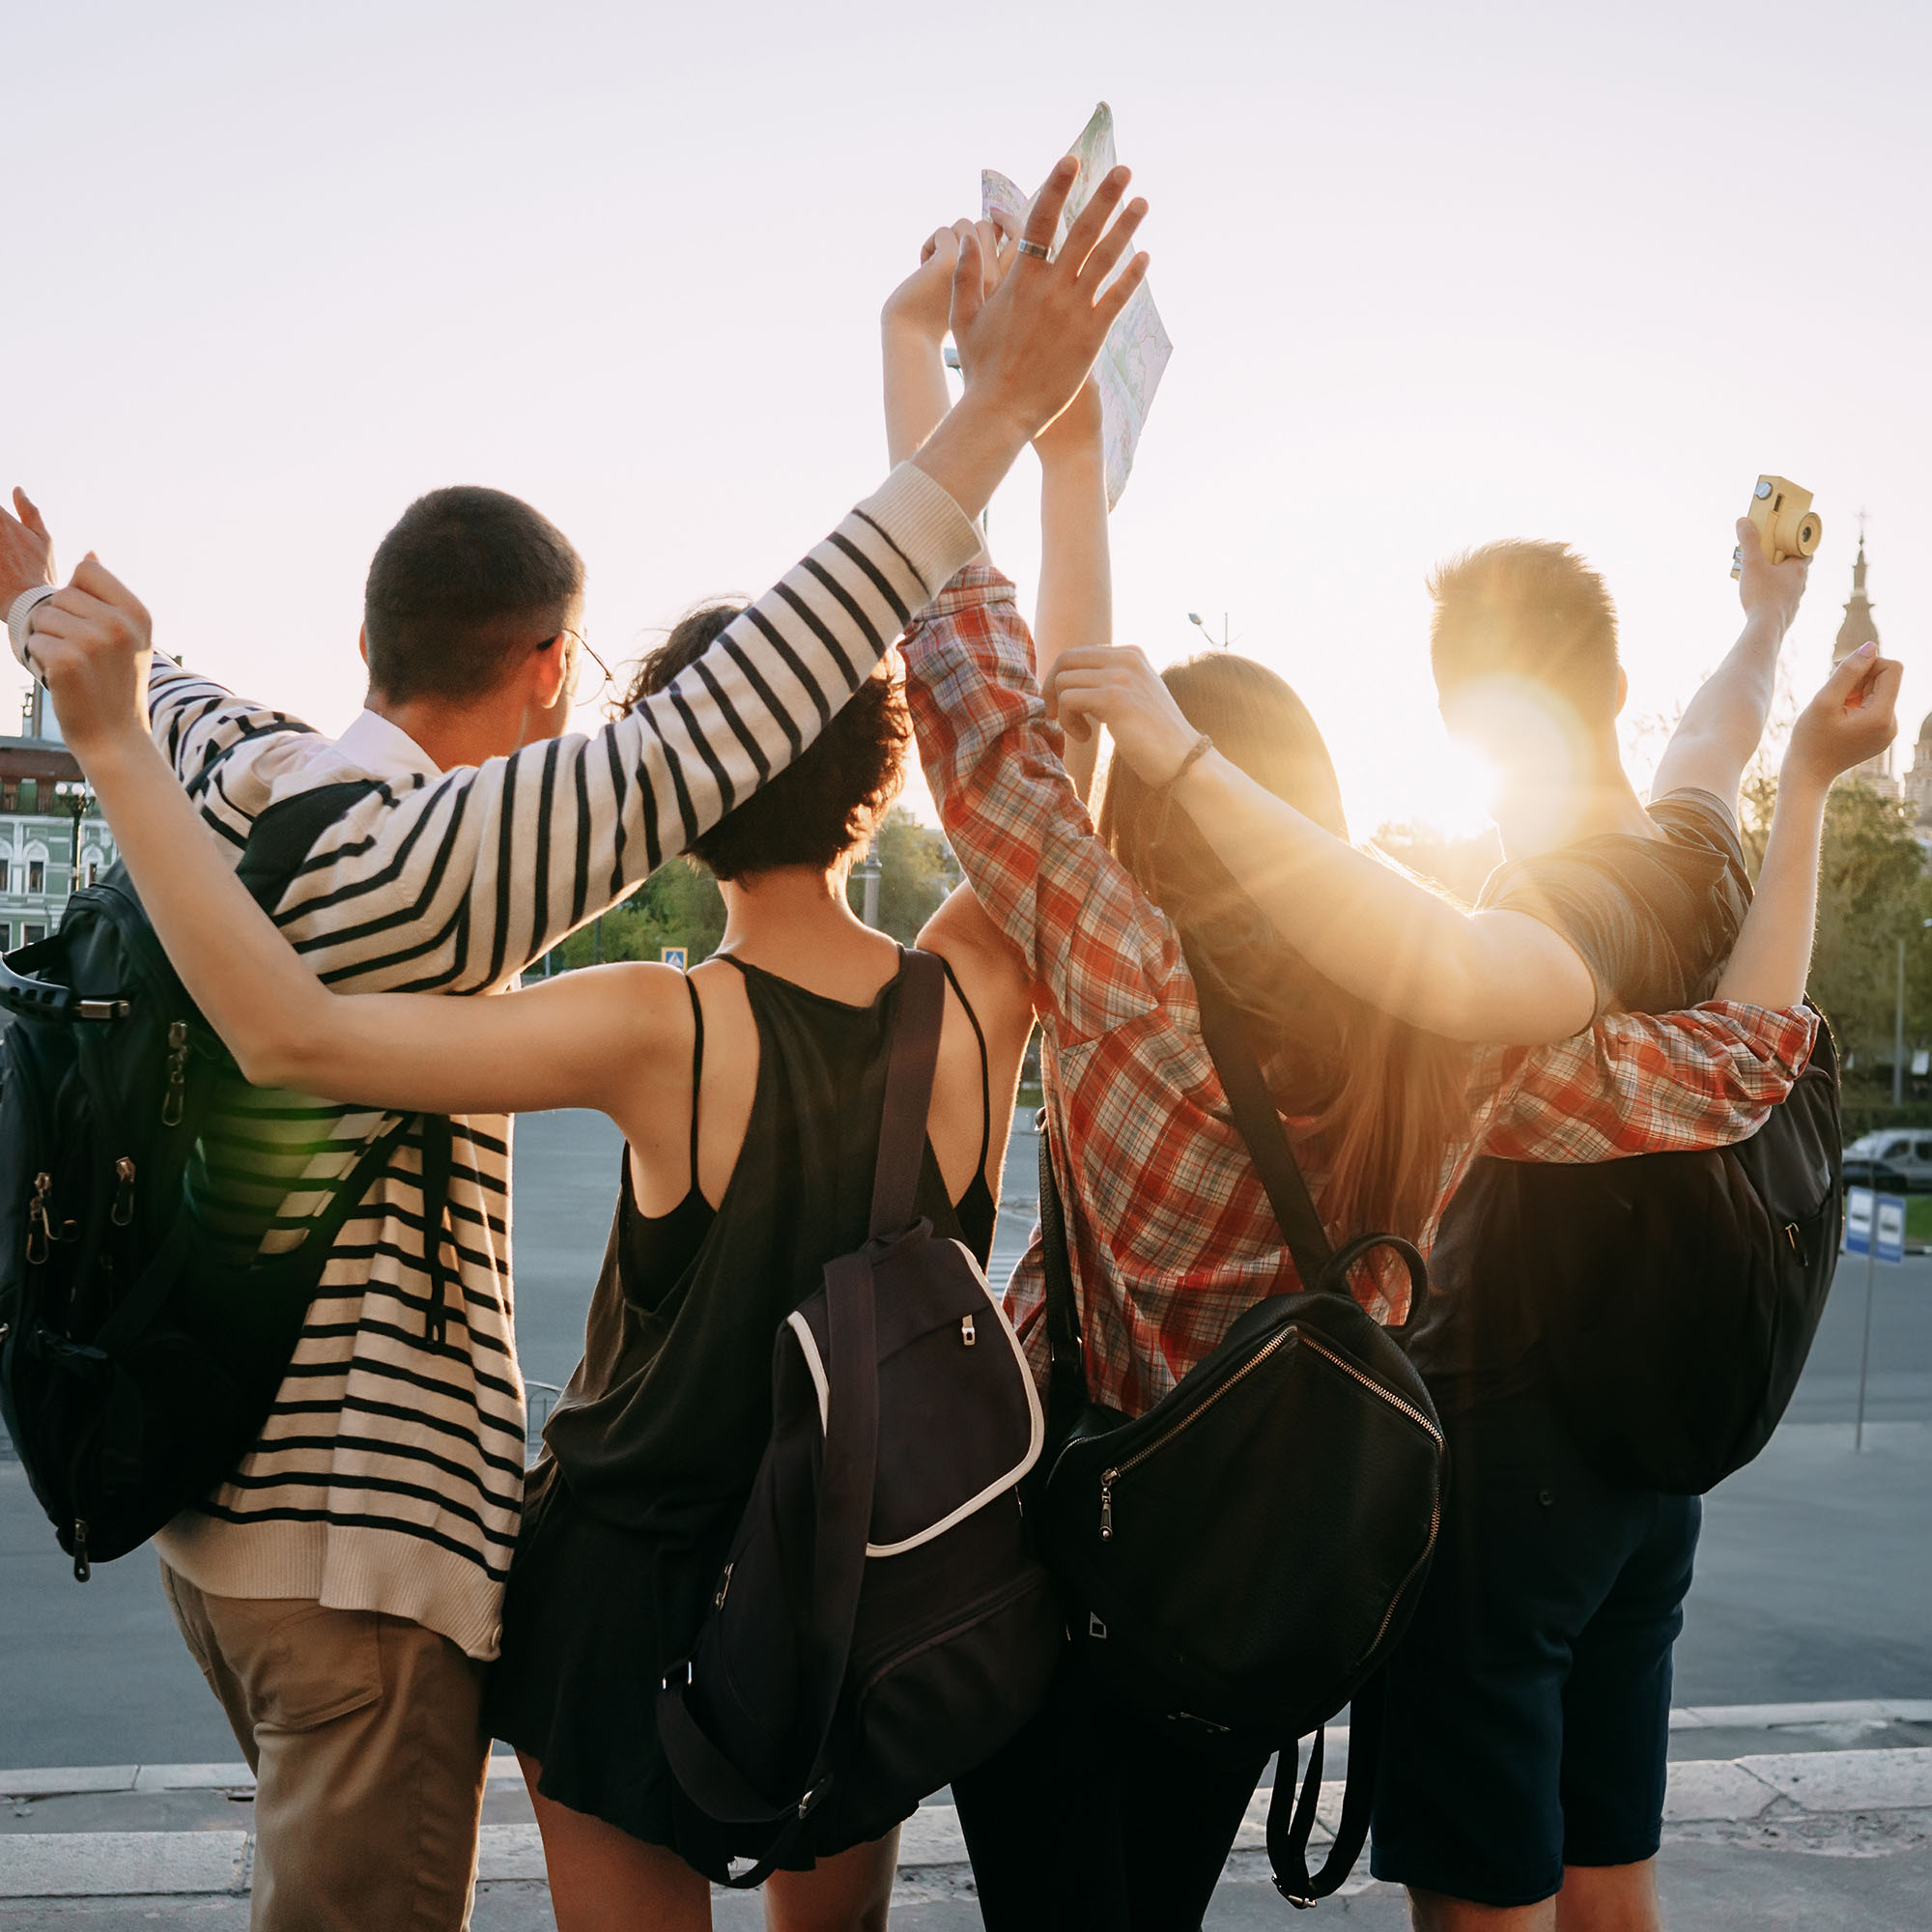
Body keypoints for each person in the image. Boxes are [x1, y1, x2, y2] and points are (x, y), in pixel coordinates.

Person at [0, 155, 1148, 1932]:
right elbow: (1059, 780)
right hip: (868, 1570)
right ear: (888, 775)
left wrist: (60, 649)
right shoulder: (970, 995)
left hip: (623, 1585)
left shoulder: (634, 1017)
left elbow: (209, 774)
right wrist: (1046, 445)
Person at [880, 224, 1853, 1926]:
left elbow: (973, 692)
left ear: (1151, 827)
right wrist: (1803, 796)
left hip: (1087, 1545)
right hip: (1267, 1591)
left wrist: (962, 385)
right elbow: (1741, 1063)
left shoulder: (1119, 974)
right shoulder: (1440, 1048)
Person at [1050, 542, 1899, 1930]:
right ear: (1620, 683)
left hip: (1510, 1467)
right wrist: (1776, 646)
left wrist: (1192, 767)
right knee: (1611, 1858)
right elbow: (1725, 723)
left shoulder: (1555, 902)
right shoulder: (1695, 838)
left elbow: (1458, 973)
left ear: (1457, 725)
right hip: (1655, 1479)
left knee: (1483, 1888)